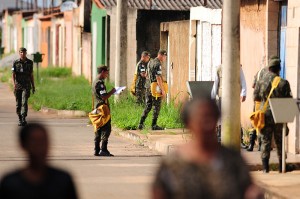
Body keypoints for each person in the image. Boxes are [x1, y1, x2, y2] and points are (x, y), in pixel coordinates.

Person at [152, 98, 262, 199]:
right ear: (189, 123)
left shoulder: (232, 159)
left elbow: (247, 189)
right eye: (202, 118)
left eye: (212, 117)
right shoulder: (172, 164)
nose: (208, 124)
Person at [0, 123, 78, 199]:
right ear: (23, 145)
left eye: (43, 141)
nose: (40, 147)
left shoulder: (63, 180)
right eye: (34, 142)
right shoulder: (10, 183)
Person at [253, 59, 293, 173]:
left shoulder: (260, 81)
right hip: (279, 113)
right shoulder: (283, 82)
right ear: (278, 69)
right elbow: (288, 102)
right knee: (280, 140)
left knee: (265, 140)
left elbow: (255, 97)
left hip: (264, 114)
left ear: (269, 68)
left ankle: (265, 168)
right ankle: (282, 167)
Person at [247, 56, 279, 152]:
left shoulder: (260, 72)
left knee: (255, 123)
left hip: (258, 102)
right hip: (269, 104)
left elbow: (253, 85)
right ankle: (261, 146)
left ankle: (251, 144)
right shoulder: (274, 74)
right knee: (264, 124)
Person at [211, 64, 247, 148]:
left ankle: (239, 140)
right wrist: (212, 97)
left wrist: (243, 93)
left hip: (234, 97)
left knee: (235, 117)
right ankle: (220, 139)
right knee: (221, 118)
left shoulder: (237, 67)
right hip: (222, 97)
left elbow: (243, 81)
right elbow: (215, 83)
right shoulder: (219, 68)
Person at [138, 50, 167, 130]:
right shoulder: (158, 64)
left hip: (148, 87)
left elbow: (147, 74)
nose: (165, 58)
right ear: (161, 55)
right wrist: (163, 90)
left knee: (148, 106)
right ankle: (154, 125)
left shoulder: (150, 62)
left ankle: (141, 123)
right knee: (157, 106)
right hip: (155, 88)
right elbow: (158, 77)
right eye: (165, 57)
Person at [92, 66, 116, 156]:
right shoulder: (100, 83)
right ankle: (103, 149)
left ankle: (96, 149)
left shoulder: (95, 81)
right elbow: (104, 97)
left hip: (97, 108)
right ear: (102, 72)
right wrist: (112, 91)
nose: (107, 75)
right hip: (102, 109)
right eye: (106, 73)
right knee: (106, 128)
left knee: (98, 128)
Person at [12, 47, 35, 126]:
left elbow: (31, 75)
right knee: (18, 103)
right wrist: (14, 84)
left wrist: (33, 86)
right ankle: (19, 118)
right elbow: (13, 74)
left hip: (26, 86)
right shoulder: (15, 62)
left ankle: (23, 118)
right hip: (18, 86)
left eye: (24, 52)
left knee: (24, 102)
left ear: (26, 53)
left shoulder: (30, 62)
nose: (23, 54)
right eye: (21, 52)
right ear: (19, 53)